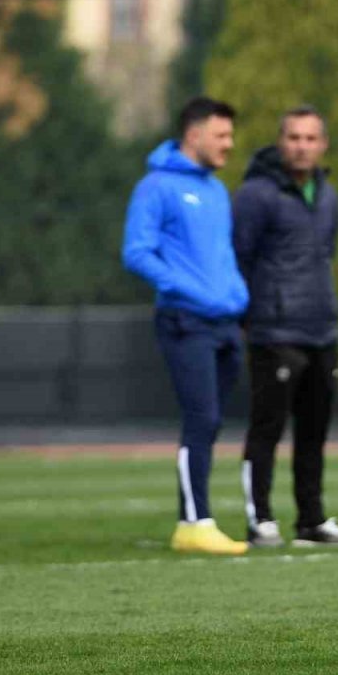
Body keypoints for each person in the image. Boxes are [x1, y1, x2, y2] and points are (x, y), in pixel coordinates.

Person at [122, 97, 250, 555]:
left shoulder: (215, 189)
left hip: (226, 322)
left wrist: (235, 297)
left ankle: (193, 520)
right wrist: (187, 289)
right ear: (194, 135)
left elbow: (221, 256)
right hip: (185, 319)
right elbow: (136, 251)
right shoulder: (155, 186)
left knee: (210, 421)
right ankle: (194, 522)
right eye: (221, 135)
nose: (229, 144)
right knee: (202, 417)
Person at [231, 106, 338, 548]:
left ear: (323, 145)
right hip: (275, 331)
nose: (302, 146)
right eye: (293, 138)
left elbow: (324, 256)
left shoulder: (328, 195)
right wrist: (249, 318)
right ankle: (260, 519)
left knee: (314, 432)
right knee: (266, 429)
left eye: (310, 138)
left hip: (322, 329)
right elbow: (240, 258)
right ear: (280, 142)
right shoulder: (255, 195)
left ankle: (312, 519)